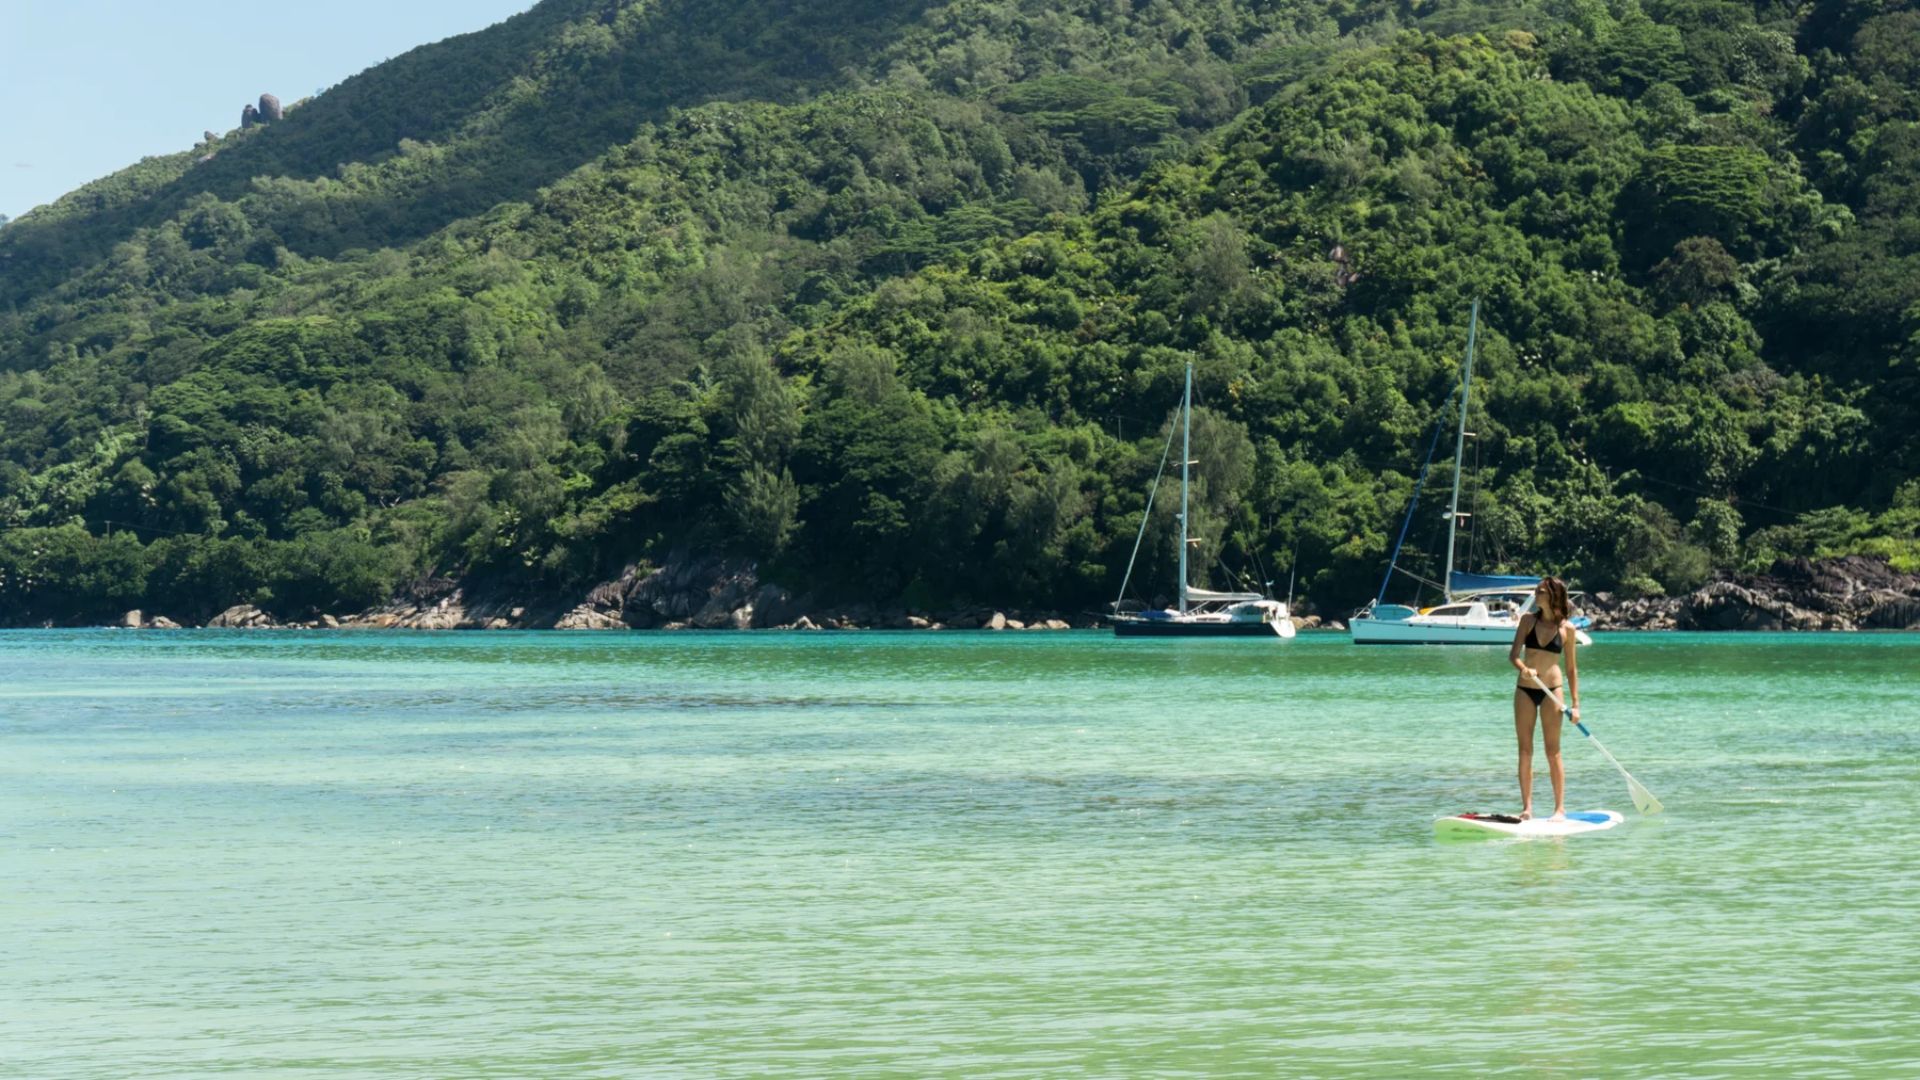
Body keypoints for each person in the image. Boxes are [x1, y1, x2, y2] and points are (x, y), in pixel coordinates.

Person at [1507, 576, 1579, 820]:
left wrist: (1576, 705)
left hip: (1553, 692)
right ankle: (1527, 808)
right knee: (1525, 750)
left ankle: (1559, 809)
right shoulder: (1528, 620)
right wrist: (1523, 668)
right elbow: (1514, 655)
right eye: (1536, 591)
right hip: (1525, 690)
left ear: (1553, 596)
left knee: (1553, 751)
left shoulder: (1567, 629)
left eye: (1540, 592)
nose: (1536, 594)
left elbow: (1571, 669)